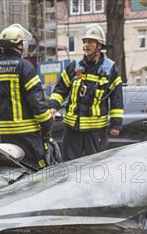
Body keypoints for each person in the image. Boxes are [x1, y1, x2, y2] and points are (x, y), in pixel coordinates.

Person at [0, 24, 53, 168]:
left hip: (1, 135)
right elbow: (37, 103)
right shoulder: (24, 67)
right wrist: (47, 126)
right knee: (33, 173)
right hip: (27, 135)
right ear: (21, 45)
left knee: (9, 172)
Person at [48, 24, 123, 161]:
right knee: (68, 167)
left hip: (95, 131)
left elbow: (116, 98)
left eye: (90, 42)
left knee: (94, 168)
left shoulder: (109, 68)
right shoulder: (75, 66)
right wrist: (53, 106)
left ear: (99, 45)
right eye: (84, 41)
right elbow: (61, 88)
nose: (86, 45)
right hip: (72, 129)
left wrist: (116, 124)